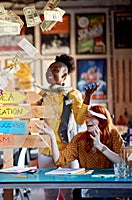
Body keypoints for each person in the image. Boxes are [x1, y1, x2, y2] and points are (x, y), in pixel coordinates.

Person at [34, 54, 98, 200]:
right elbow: (29, 112)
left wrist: (87, 99)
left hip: (68, 149)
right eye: (49, 70)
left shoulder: (72, 94)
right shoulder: (42, 94)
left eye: (55, 69)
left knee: (70, 192)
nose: (50, 73)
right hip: (46, 149)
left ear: (64, 75)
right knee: (49, 193)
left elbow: (80, 119)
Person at [36, 105, 124, 200]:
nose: (87, 120)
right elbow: (59, 160)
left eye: (92, 117)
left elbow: (122, 161)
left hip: (109, 186)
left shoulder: (113, 135)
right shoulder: (79, 139)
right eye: (87, 116)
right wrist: (52, 136)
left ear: (102, 120)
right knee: (78, 192)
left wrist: (100, 146)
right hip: (87, 187)